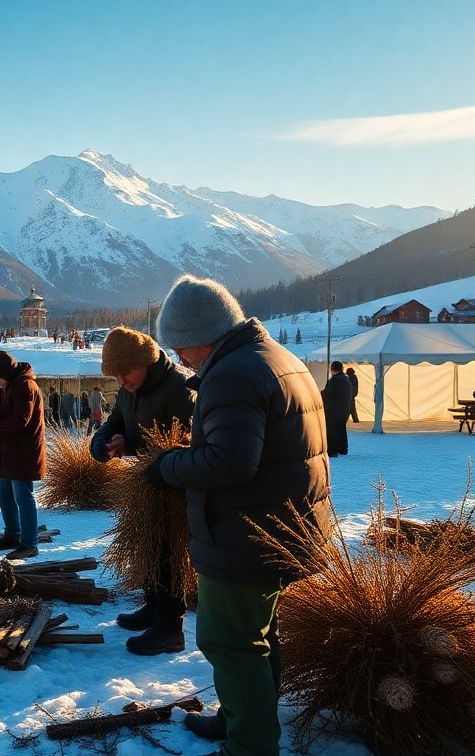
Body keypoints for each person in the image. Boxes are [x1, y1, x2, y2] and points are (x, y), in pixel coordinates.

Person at [148, 274, 333, 756]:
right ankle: (241, 721)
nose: (179, 359)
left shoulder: (233, 374)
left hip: (247, 534)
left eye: (180, 347)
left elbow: (229, 462)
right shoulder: (276, 358)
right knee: (258, 636)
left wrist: (167, 466)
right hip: (285, 527)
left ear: (202, 335)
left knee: (229, 641)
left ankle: (249, 745)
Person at [90, 326, 196, 655]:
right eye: (115, 375)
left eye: (125, 373)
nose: (121, 380)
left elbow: (190, 439)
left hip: (176, 486)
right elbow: (117, 419)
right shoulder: (129, 388)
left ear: (145, 362)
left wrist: (131, 443)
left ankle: (170, 628)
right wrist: (101, 440)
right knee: (149, 548)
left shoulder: (179, 386)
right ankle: (153, 607)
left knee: (169, 555)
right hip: (148, 483)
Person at [0, 350, 45, 560]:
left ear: (6, 373)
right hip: (8, 450)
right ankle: (12, 535)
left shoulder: (26, 386)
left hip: (24, 450)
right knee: (3, 491)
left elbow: (20, 420)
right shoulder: (3, 387)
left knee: (23, 496)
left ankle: (29, 544)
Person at [322, 361, 352, 456]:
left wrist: (320, 394)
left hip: (333, 411)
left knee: (332, 431)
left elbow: (327, 395)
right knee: (341, 429)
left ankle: (332, 451)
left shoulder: (334, 381)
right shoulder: (346, 380)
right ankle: (343, 449)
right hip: (344, 410)